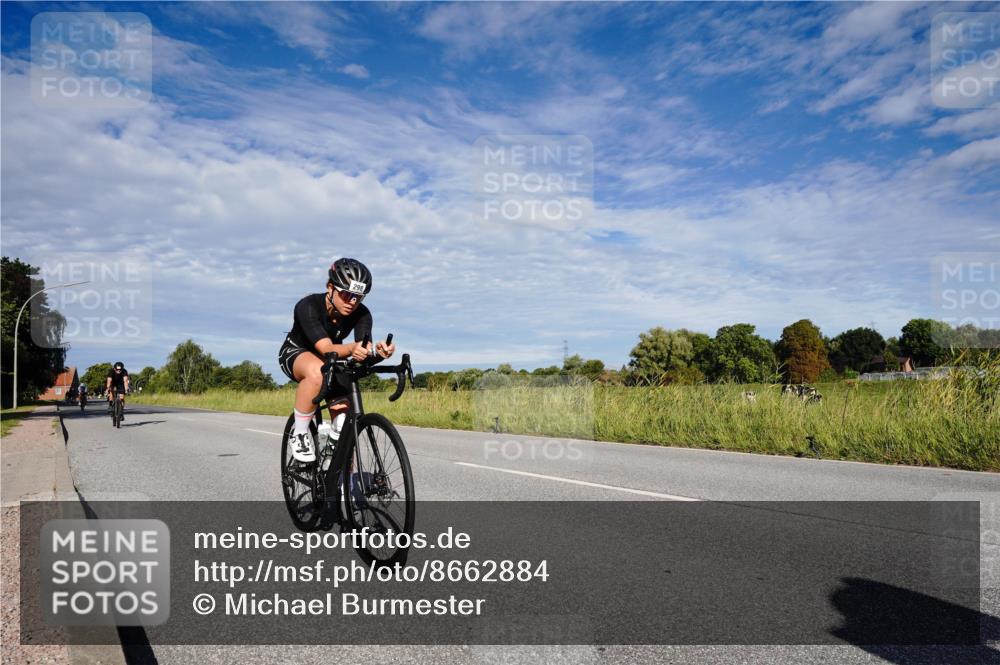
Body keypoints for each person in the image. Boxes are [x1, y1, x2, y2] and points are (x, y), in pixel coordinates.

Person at [278, 258, 395, 462]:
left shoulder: (362, 314)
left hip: (331, 359)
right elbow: (327, 349)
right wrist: (352, 348)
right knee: (317, 373)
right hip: (298, 353)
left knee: (344, 425)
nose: (352, 302)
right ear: (330, 287)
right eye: (346, 294)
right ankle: (300, 433)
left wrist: (377, 353)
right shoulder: (308, 306)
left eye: (359, 297)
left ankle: (337, 472)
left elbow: (362, 350)